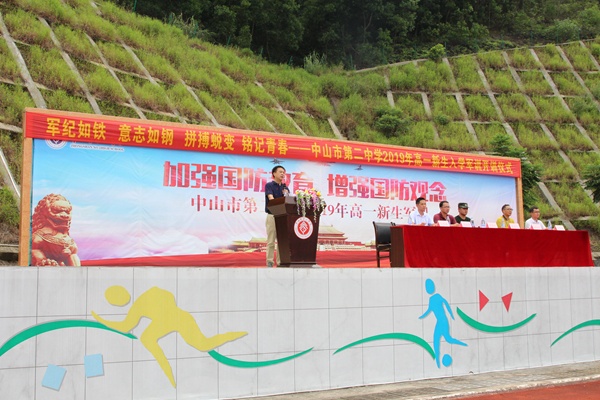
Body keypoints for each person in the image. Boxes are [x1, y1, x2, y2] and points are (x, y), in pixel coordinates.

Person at [92, 286, 247, 387]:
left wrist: (102, 320)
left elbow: (125, 326)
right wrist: (102, 320)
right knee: (147, 338)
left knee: (203, 345)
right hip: (173, 319)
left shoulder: (144, 300)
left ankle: (230, 335)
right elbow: (126, 327)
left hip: (179, 319)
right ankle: (167, 371)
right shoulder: (147, 296)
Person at [265, 165, 289, 267]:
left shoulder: (285, 187)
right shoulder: (269, 185)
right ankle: (269, 262)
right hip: (272, 215)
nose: (282, 174)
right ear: (274, 173)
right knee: (271, 241)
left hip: (282, 217)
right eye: (280, 172)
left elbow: (288, 201)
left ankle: (280, 262)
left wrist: (286, 195)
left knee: (281, 242)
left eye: (283, 172)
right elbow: (271, 199)